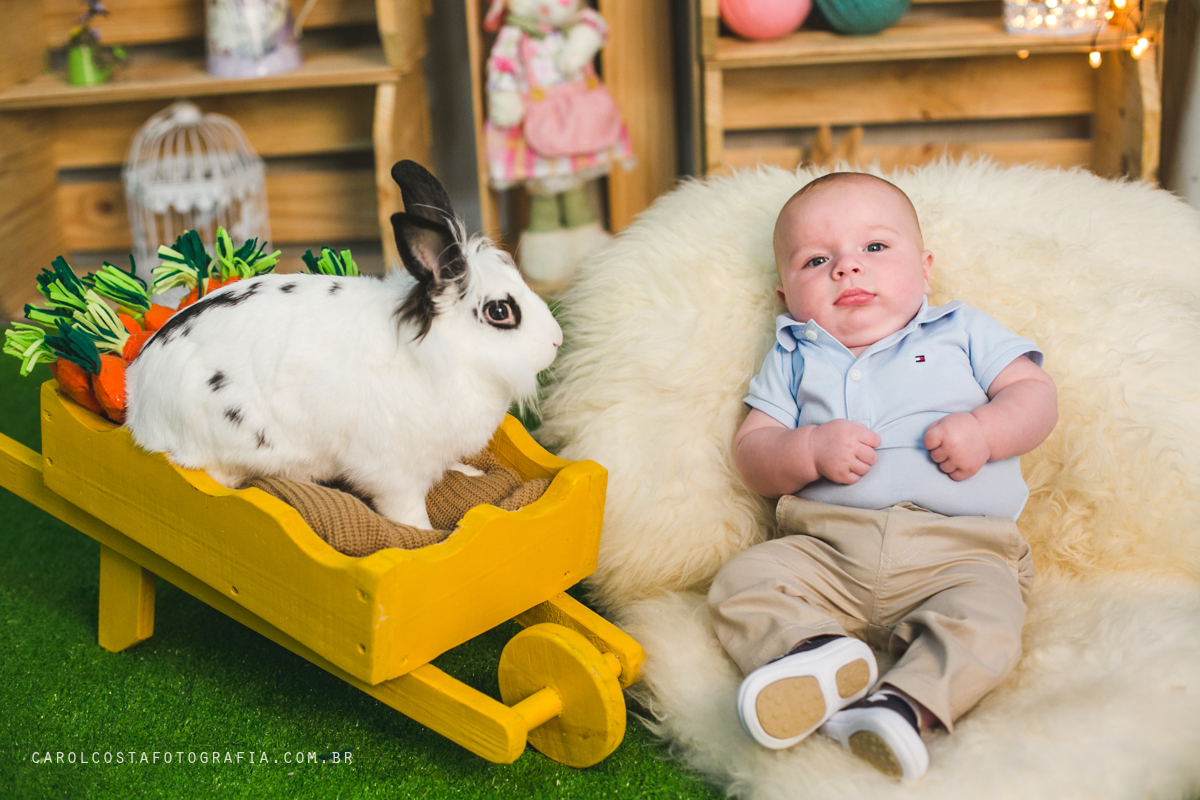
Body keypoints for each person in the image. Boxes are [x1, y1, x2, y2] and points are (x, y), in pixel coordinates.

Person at [708, 172, 1057, 780]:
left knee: (990, 622)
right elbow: (753, 451)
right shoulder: (794, 353)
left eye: (874, 248)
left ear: (924, 269)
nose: (847, 268)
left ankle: (902, 706)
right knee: (743, 579)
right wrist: (809, 449)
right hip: (828, 550)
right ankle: (814, 655)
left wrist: (985, 431)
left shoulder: (961, 329)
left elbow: (1035, 395)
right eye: (817, 260)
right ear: (783, 293)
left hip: (963, 552)